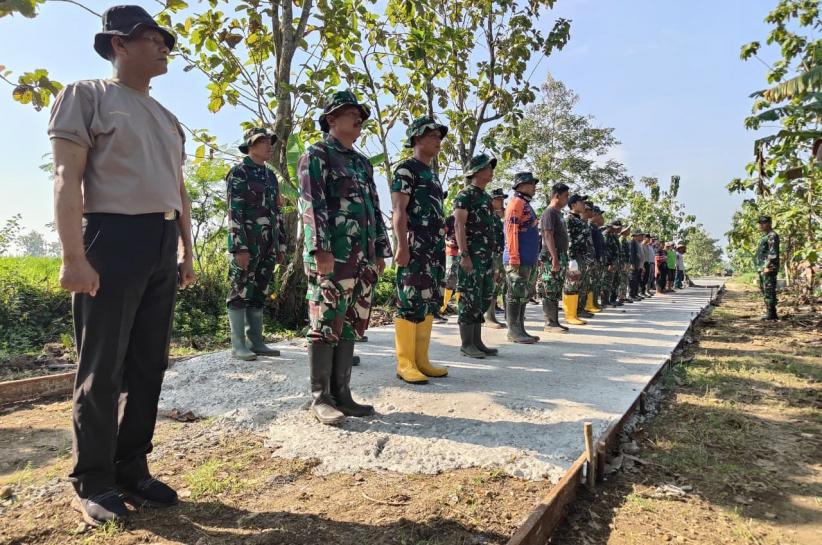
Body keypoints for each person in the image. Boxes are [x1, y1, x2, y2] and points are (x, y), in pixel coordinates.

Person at [49, 5, 195, 525]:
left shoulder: (168, 118)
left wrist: (185, 248)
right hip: (112, 236)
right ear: (117, 44)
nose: (163, 47)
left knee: (148, 364)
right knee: (102, 366)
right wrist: (74, 257)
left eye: (164, 40)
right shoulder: (86, 95)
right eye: (150, 38)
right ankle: (93, 479)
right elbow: (67, 178)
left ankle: (132, 467)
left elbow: (177, 188)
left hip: (159, 239)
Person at [298, 90, 392, 425]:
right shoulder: (318, 155)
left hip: (361, 258)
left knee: (351, 323)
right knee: (325, 321)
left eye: (360, 114)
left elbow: (373, 209)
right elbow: (312, 204)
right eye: (351, 112)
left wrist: (380, 249)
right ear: (331, 119)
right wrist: (320, 248)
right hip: (332, 255)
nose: (359, 118)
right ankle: (320, 397)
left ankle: (343, 394)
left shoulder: (362, 162)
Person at [391, 116, 449, 384]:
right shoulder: (406, 170)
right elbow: (399, 211)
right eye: (433, 135)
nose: (438, 140)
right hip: (414, 246)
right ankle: (405, 363)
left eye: (439, 136)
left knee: (428, 300)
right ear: (417, 138)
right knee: (409, 300)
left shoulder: (432, 175)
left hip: (434, 248)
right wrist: (402, 246)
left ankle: (421, 360)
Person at [225, 128, 286, 360]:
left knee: (259, 291)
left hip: (268, 245)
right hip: (247, 244)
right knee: (239, 290)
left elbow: (277, 212)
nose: (269, 146)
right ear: (250, 146)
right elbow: (234, 212)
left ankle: (257, 341)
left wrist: (280, 245)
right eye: (263, 142)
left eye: (270, 142)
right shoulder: (239, 173)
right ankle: (238, 345)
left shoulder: (270, 176)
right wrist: (239, 247)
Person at [454, 153, 499, 358]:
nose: (491, 172)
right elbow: (459, 225)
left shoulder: (486, 197)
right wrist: (464, 255)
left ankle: (477, 341)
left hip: (485, 257)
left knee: (483, 296)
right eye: (488, 168)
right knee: (469, 298)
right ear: (477, 171)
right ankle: (466, 344)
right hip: (471, 256)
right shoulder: (465, 196)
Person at [503, 172, 541, 343]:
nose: (534, 187)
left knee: (523, 294)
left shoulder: (526, 204)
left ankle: (520, 328)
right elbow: (511, 231)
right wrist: (514, 257)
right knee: (515, 293)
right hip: (518, 259)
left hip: (528, 259)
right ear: (521, 185)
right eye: (531, 184)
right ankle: (513, 331)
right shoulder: (516, 203)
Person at [539, 183, 571, 332]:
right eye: (565, 196)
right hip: (552, 256)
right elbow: (547, 235)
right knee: (550, 288)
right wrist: (555, 258)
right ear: (556, 195)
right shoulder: (549, 212)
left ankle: (555, 321)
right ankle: (550, 323)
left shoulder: (558, 213)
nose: (567, 200)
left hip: (560, 255)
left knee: (556, 288)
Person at [563, 194, 590, 324]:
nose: (584, 205)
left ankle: (576, 312)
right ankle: (569, 316)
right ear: (574, 205)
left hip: (581, 256)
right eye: (581, 202)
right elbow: (568, 240)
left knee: (578, 284)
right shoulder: (569, 219)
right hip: (573, 256)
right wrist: (570, 258)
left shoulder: (579, 220)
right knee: (571, 284)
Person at [485, 188, 507, 329]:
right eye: (498, 199)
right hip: (491, 255)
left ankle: (491, 315)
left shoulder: (497, 217)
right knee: (491, 285)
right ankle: (488, 317)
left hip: (499, 254)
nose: (501, 202)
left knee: (497, 285)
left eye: (502, 199)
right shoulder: (488, 216)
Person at [755, 216, 780, 320]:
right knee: (765, 290)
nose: (761, 225)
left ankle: (772, 314)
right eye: (760, 223)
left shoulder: (772, 236)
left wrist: (766, 266)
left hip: (768, 268)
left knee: (769, 289)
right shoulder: (766, 236)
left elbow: (773, 253)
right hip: (763, 269)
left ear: (769, 223)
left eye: (764, 222)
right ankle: (770, 312)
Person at [577, 201, 600, 316]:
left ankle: (583, 308)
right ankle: (578, 310)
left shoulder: (586, 224)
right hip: (582, 259)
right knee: (580, 285)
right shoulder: (580, 223)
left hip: (589, 259)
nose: (593, 212)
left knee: (586, 284)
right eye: (591, 210)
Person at [440, 215, 460, 314]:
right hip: (451, 252)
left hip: (464, 254)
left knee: (460, 281)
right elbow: (442, 234)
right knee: (449, 279)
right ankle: (441, 308)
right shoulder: (450, 219)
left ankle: (461, 308)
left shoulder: (469, 217)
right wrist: (447, 242)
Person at [589, 205, 607, 310]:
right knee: (592, 283)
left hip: (598, 259)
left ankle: (594, 303)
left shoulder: (596, 228)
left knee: (596, 282)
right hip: (593, 259)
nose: (601, 217)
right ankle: (590, 304)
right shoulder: (590, 227)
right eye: (599, 215)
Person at [604, 221, 623, 306]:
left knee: (616, 281)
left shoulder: (614, 236)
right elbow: (606, 250)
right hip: (610, 263)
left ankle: (613, 299)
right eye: (616, 228)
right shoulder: (606, 235)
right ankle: (605, 300)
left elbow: (617, 250)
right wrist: (609, 263)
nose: (618, 229)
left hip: (616, 262)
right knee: (607, 282)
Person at [629, 230, 645, 300]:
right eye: (641, 236)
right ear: (636, 236)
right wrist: (632, 264)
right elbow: (631, 254)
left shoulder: (637, 243)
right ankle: (631, 295)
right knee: (632, 280)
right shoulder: (632, 242)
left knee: (636, 280)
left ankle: (635, 294)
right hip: (634, 264)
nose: (642, 237)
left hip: (637, 264)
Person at [618, 225, 633, 303]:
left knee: (625, 279)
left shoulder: (625, 239)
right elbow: (621, 253)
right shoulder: (621, 240)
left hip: (626, 262)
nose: (629, 231)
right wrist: (624, 263)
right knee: (622, 280)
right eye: (628, 230)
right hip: (623, 263)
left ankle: (623, 296)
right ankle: (621, 297)